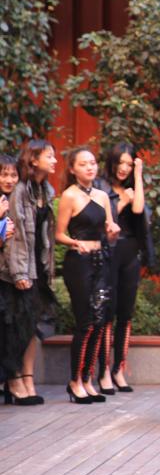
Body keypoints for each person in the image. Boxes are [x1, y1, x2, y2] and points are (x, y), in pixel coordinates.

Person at [55, 148, 120, 403]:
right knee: (85, 322)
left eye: (92, 163)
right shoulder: (69, 196)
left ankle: (87, 378)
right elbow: (58, 234)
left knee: (100, 321)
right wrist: (74, 242)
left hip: (100, 260)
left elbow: (108, 232)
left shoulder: (103, 196)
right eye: (83, 164)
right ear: (73, 169)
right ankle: (75, 381)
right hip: (79, 263)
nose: (90, 167)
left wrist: (113, 232)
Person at [3, 141, 58, 404]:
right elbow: (16, 237)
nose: (55, 160)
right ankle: (14, 379)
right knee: (17, 326)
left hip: (39, 266)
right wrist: (19, 273)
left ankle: (28, 377)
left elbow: (46, 236)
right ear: (34, 160)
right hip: (20, 268)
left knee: (33, 325)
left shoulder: (46, 190)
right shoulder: (20, 191)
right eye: (50, 156)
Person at [96, 143, 152, 394]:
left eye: (129, 164)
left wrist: (138, 176)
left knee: (125, 313)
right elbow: (104, 222)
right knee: (107, 312)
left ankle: (119, 369)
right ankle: (104, 371)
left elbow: (138, 209)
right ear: (112, 162)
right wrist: (122, 201)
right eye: (121, 163)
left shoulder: (131, 186)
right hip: (109, 252)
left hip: (130, 253)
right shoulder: (101, 187)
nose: (124, 168)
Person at [0, 154, 37, 405]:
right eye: (4, 174)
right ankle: (12, 381)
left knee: (14, 328)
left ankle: (13, 379)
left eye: (13, 175)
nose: (9, 179)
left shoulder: (17, 199)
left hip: (8, 275)